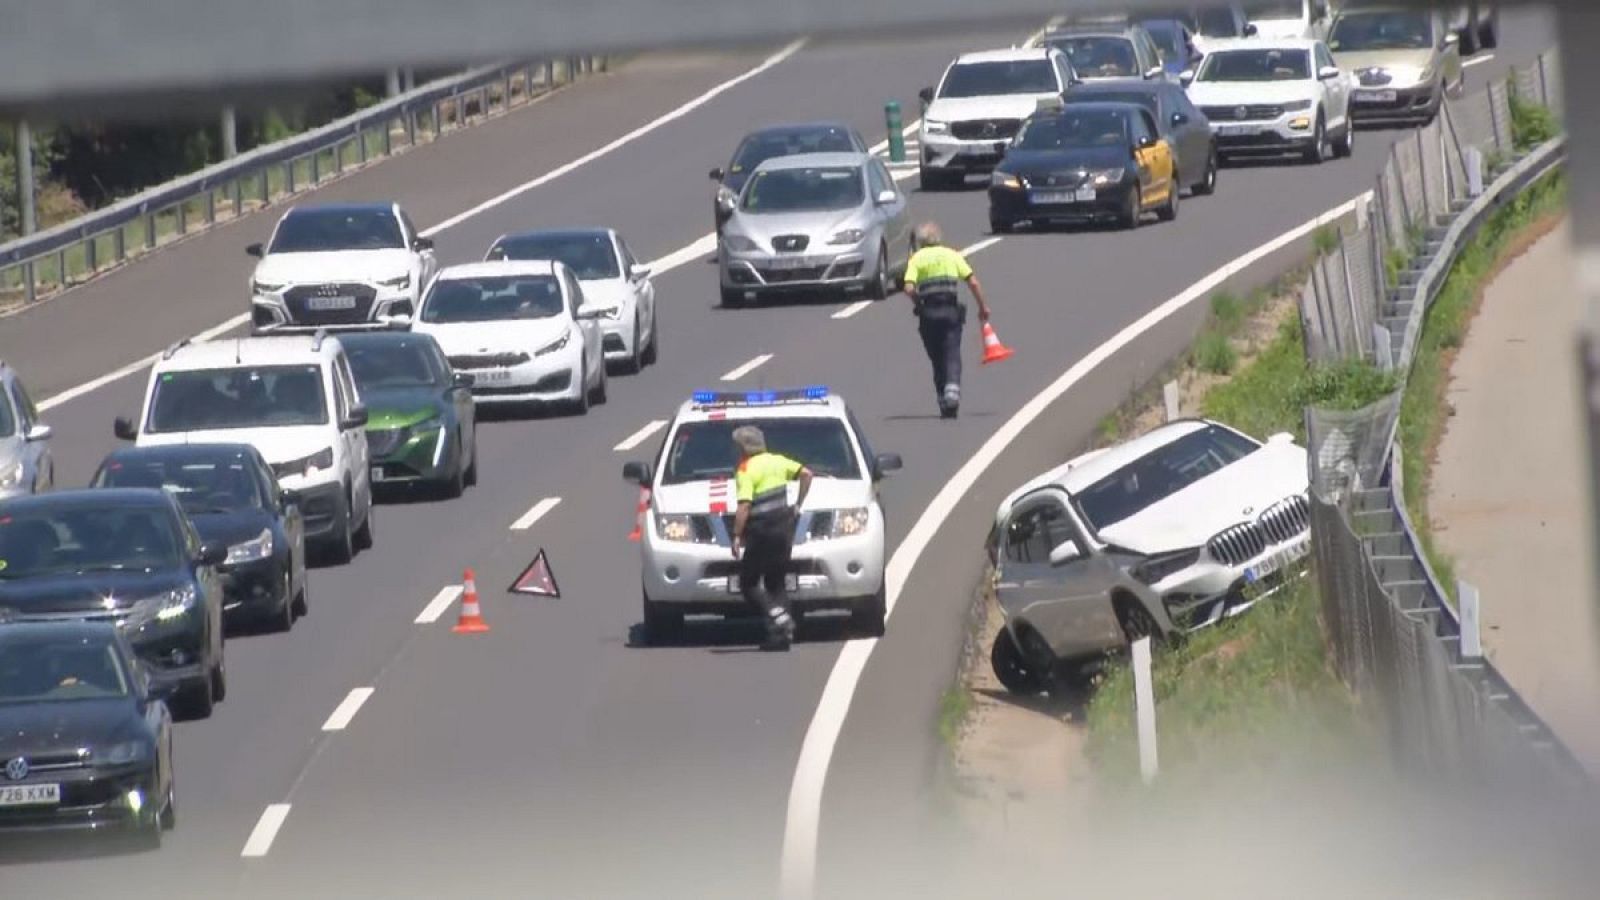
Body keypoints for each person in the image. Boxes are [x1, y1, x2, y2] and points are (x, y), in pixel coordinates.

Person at [729, 425, 813, 651]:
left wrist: (737, 536)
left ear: (743, 448)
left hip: (761, 530)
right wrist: (797, 505)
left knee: (748, 583)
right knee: (775, 582)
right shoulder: (777, 460)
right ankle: (780, 637)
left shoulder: (745, 469)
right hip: (784, 528)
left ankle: (778, 616)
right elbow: (807, 474)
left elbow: (744, 506)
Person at [902, 221, 993, 418]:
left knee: (936, 357)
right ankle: (952, 391)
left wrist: (918, 303)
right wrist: (983, 307)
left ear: (921, 241)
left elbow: (908, 287)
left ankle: (943, 397)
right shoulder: (952, 255)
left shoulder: (917, 259)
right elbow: (973, 282)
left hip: (928, 312)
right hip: (950, 310)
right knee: (951, 352)